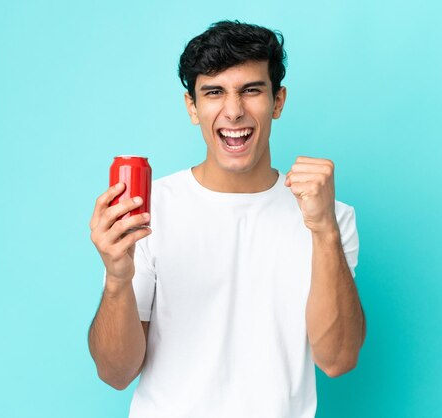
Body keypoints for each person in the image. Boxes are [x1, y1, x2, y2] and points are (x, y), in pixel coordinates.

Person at [88, 20, 366, 418]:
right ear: (192, 107)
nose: (233, 111)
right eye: (214, 92)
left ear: (278, 101)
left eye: (251, 90)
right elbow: (115, 372)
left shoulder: (332, 217)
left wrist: (323, 231)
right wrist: (117, 279)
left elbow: (337, 359)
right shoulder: (150, 210)